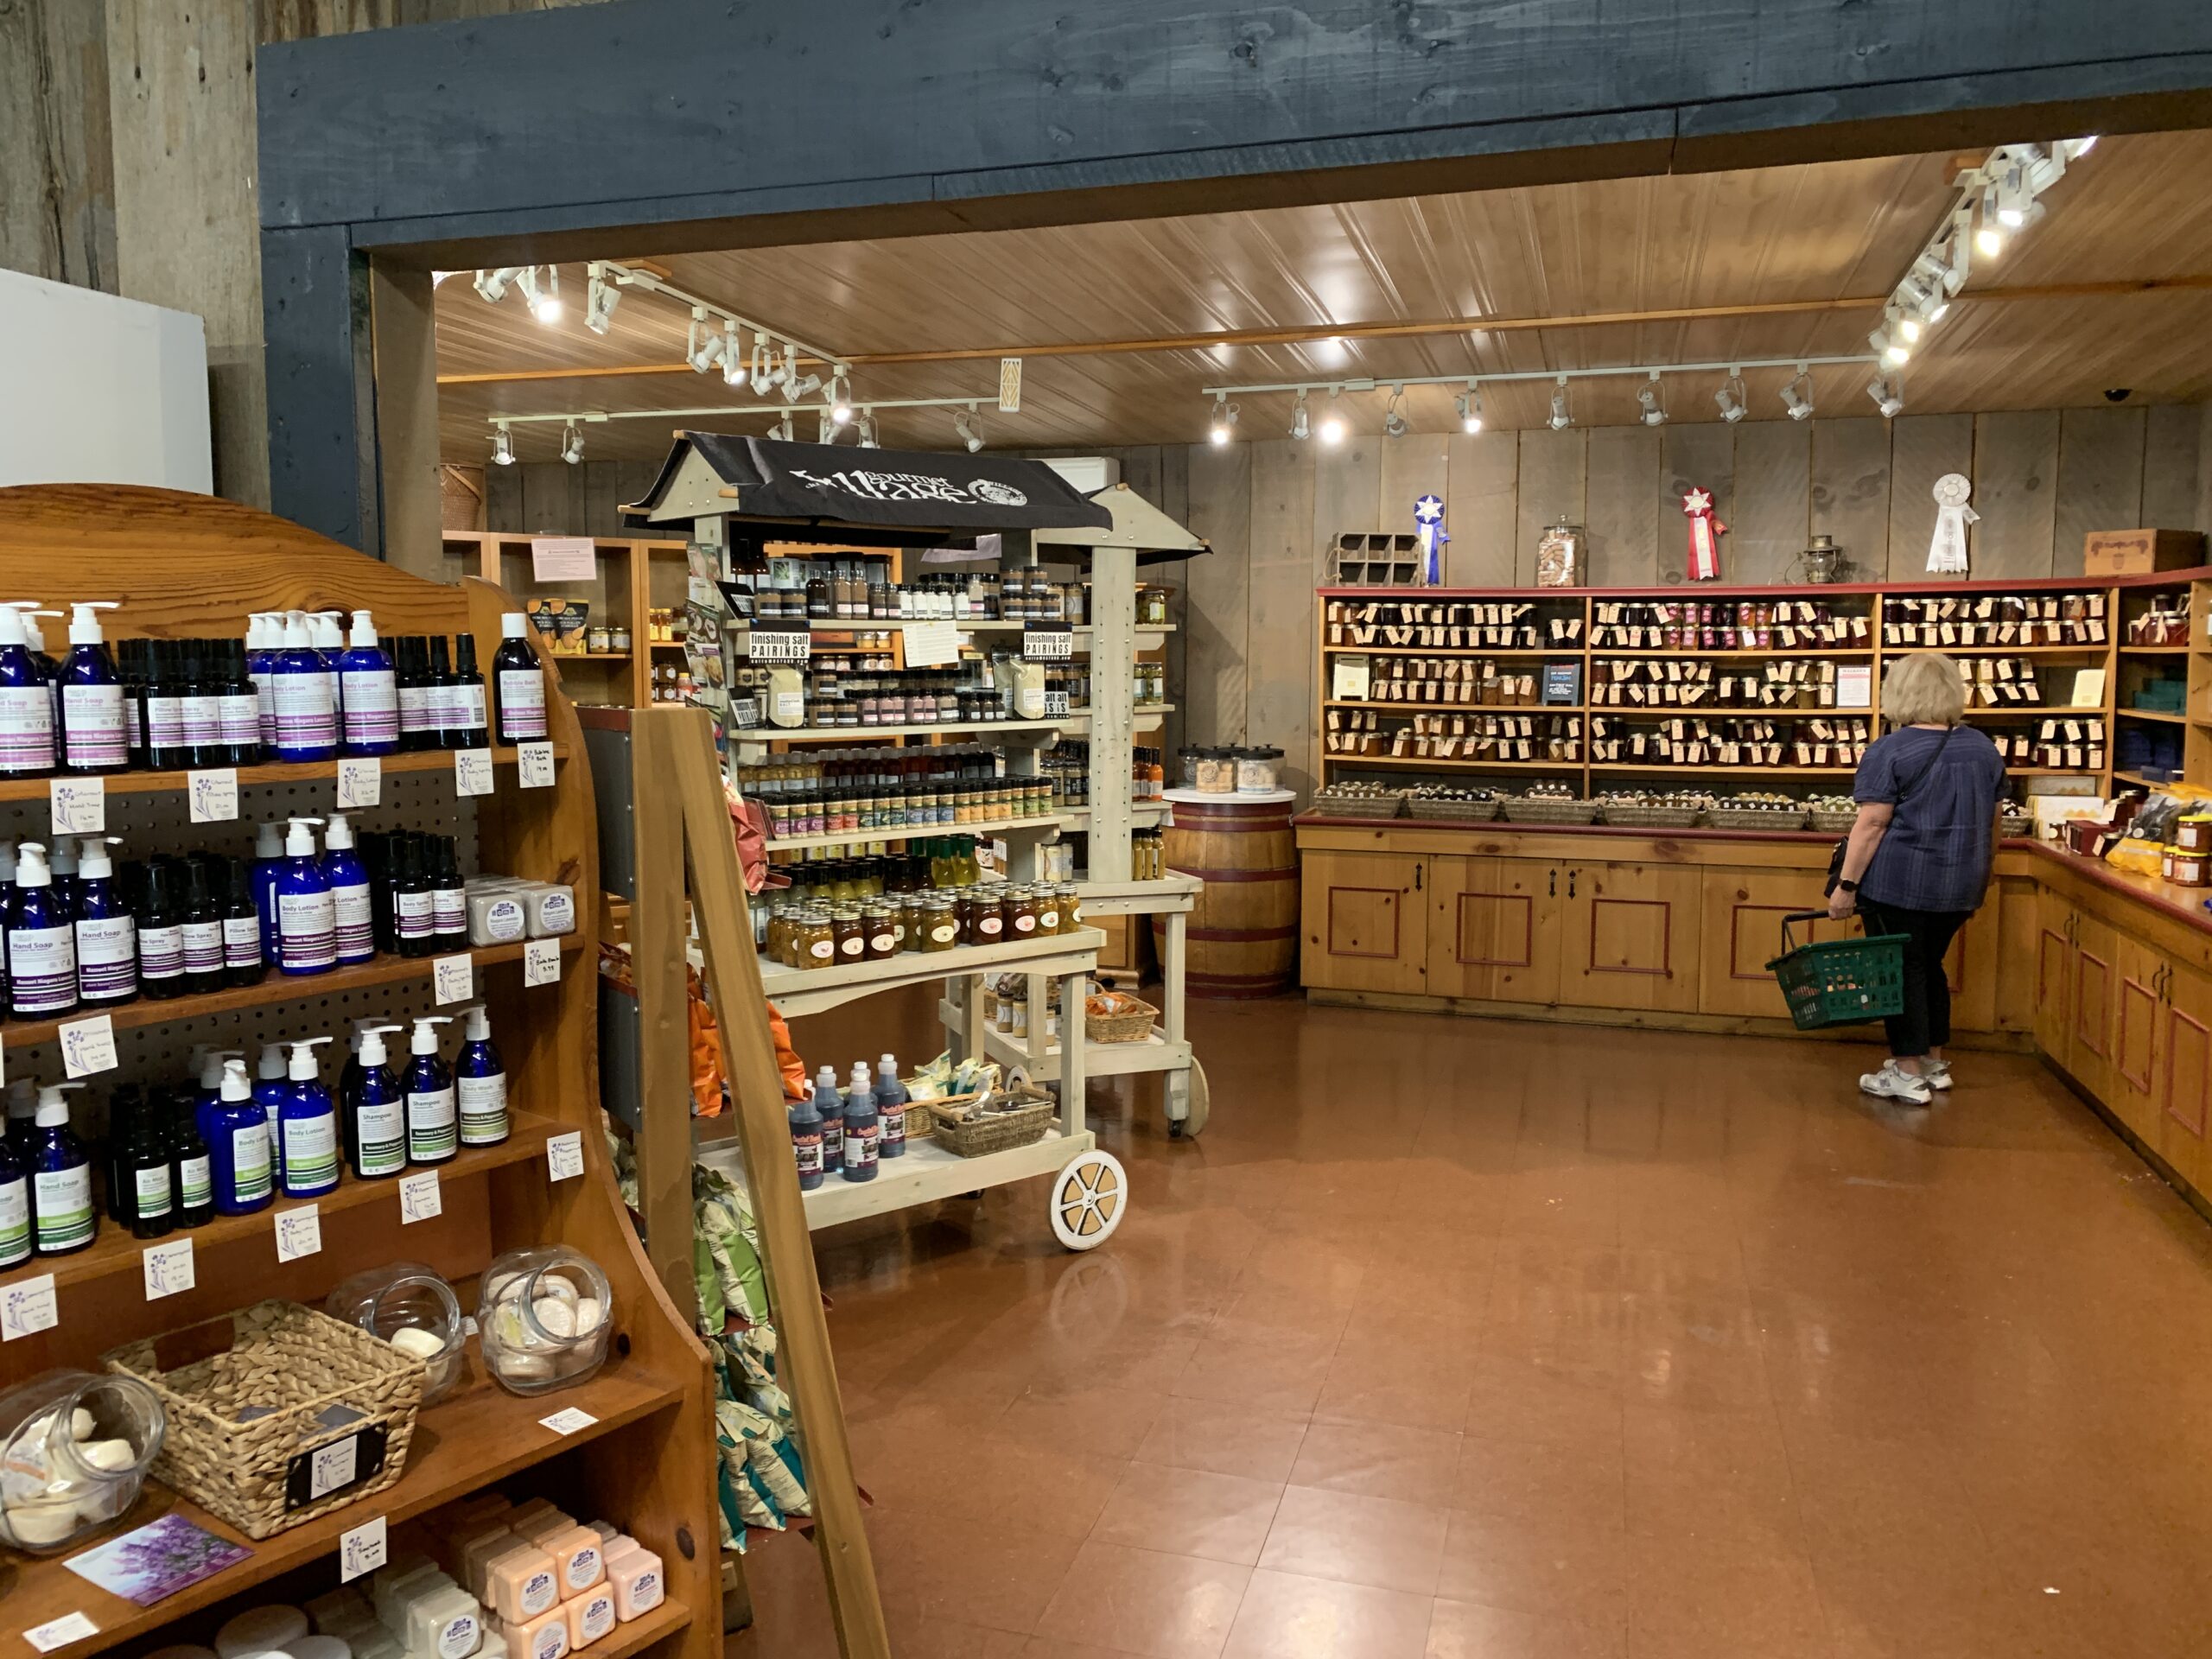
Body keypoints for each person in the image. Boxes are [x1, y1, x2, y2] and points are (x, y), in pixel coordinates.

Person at [1827, 651, 2006, 1105]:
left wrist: (1845, 887)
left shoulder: (1890, 749)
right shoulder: (1982, 747)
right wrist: (1986, 871)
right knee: (1930, 965)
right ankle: (1932, 1062)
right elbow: (1995, 819)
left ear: (1898, 693)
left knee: (1900, 971)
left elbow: (1871, 825)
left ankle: (1906, 1074)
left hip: (1901, 884)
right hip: (1962, 885)